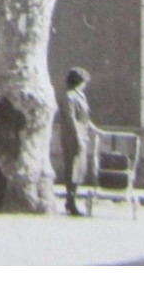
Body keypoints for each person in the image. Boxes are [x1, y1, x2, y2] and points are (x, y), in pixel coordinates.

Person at [59, 66, 94, 216]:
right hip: (72, 136)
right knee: (72, 169)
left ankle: (72, 198)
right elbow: (71, 118)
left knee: (80, 169)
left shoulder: (80, 95)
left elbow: (84, 117)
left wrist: (94, 129)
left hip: (82, 135)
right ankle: (70, 201)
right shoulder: (69, 96)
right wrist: (78, 137)